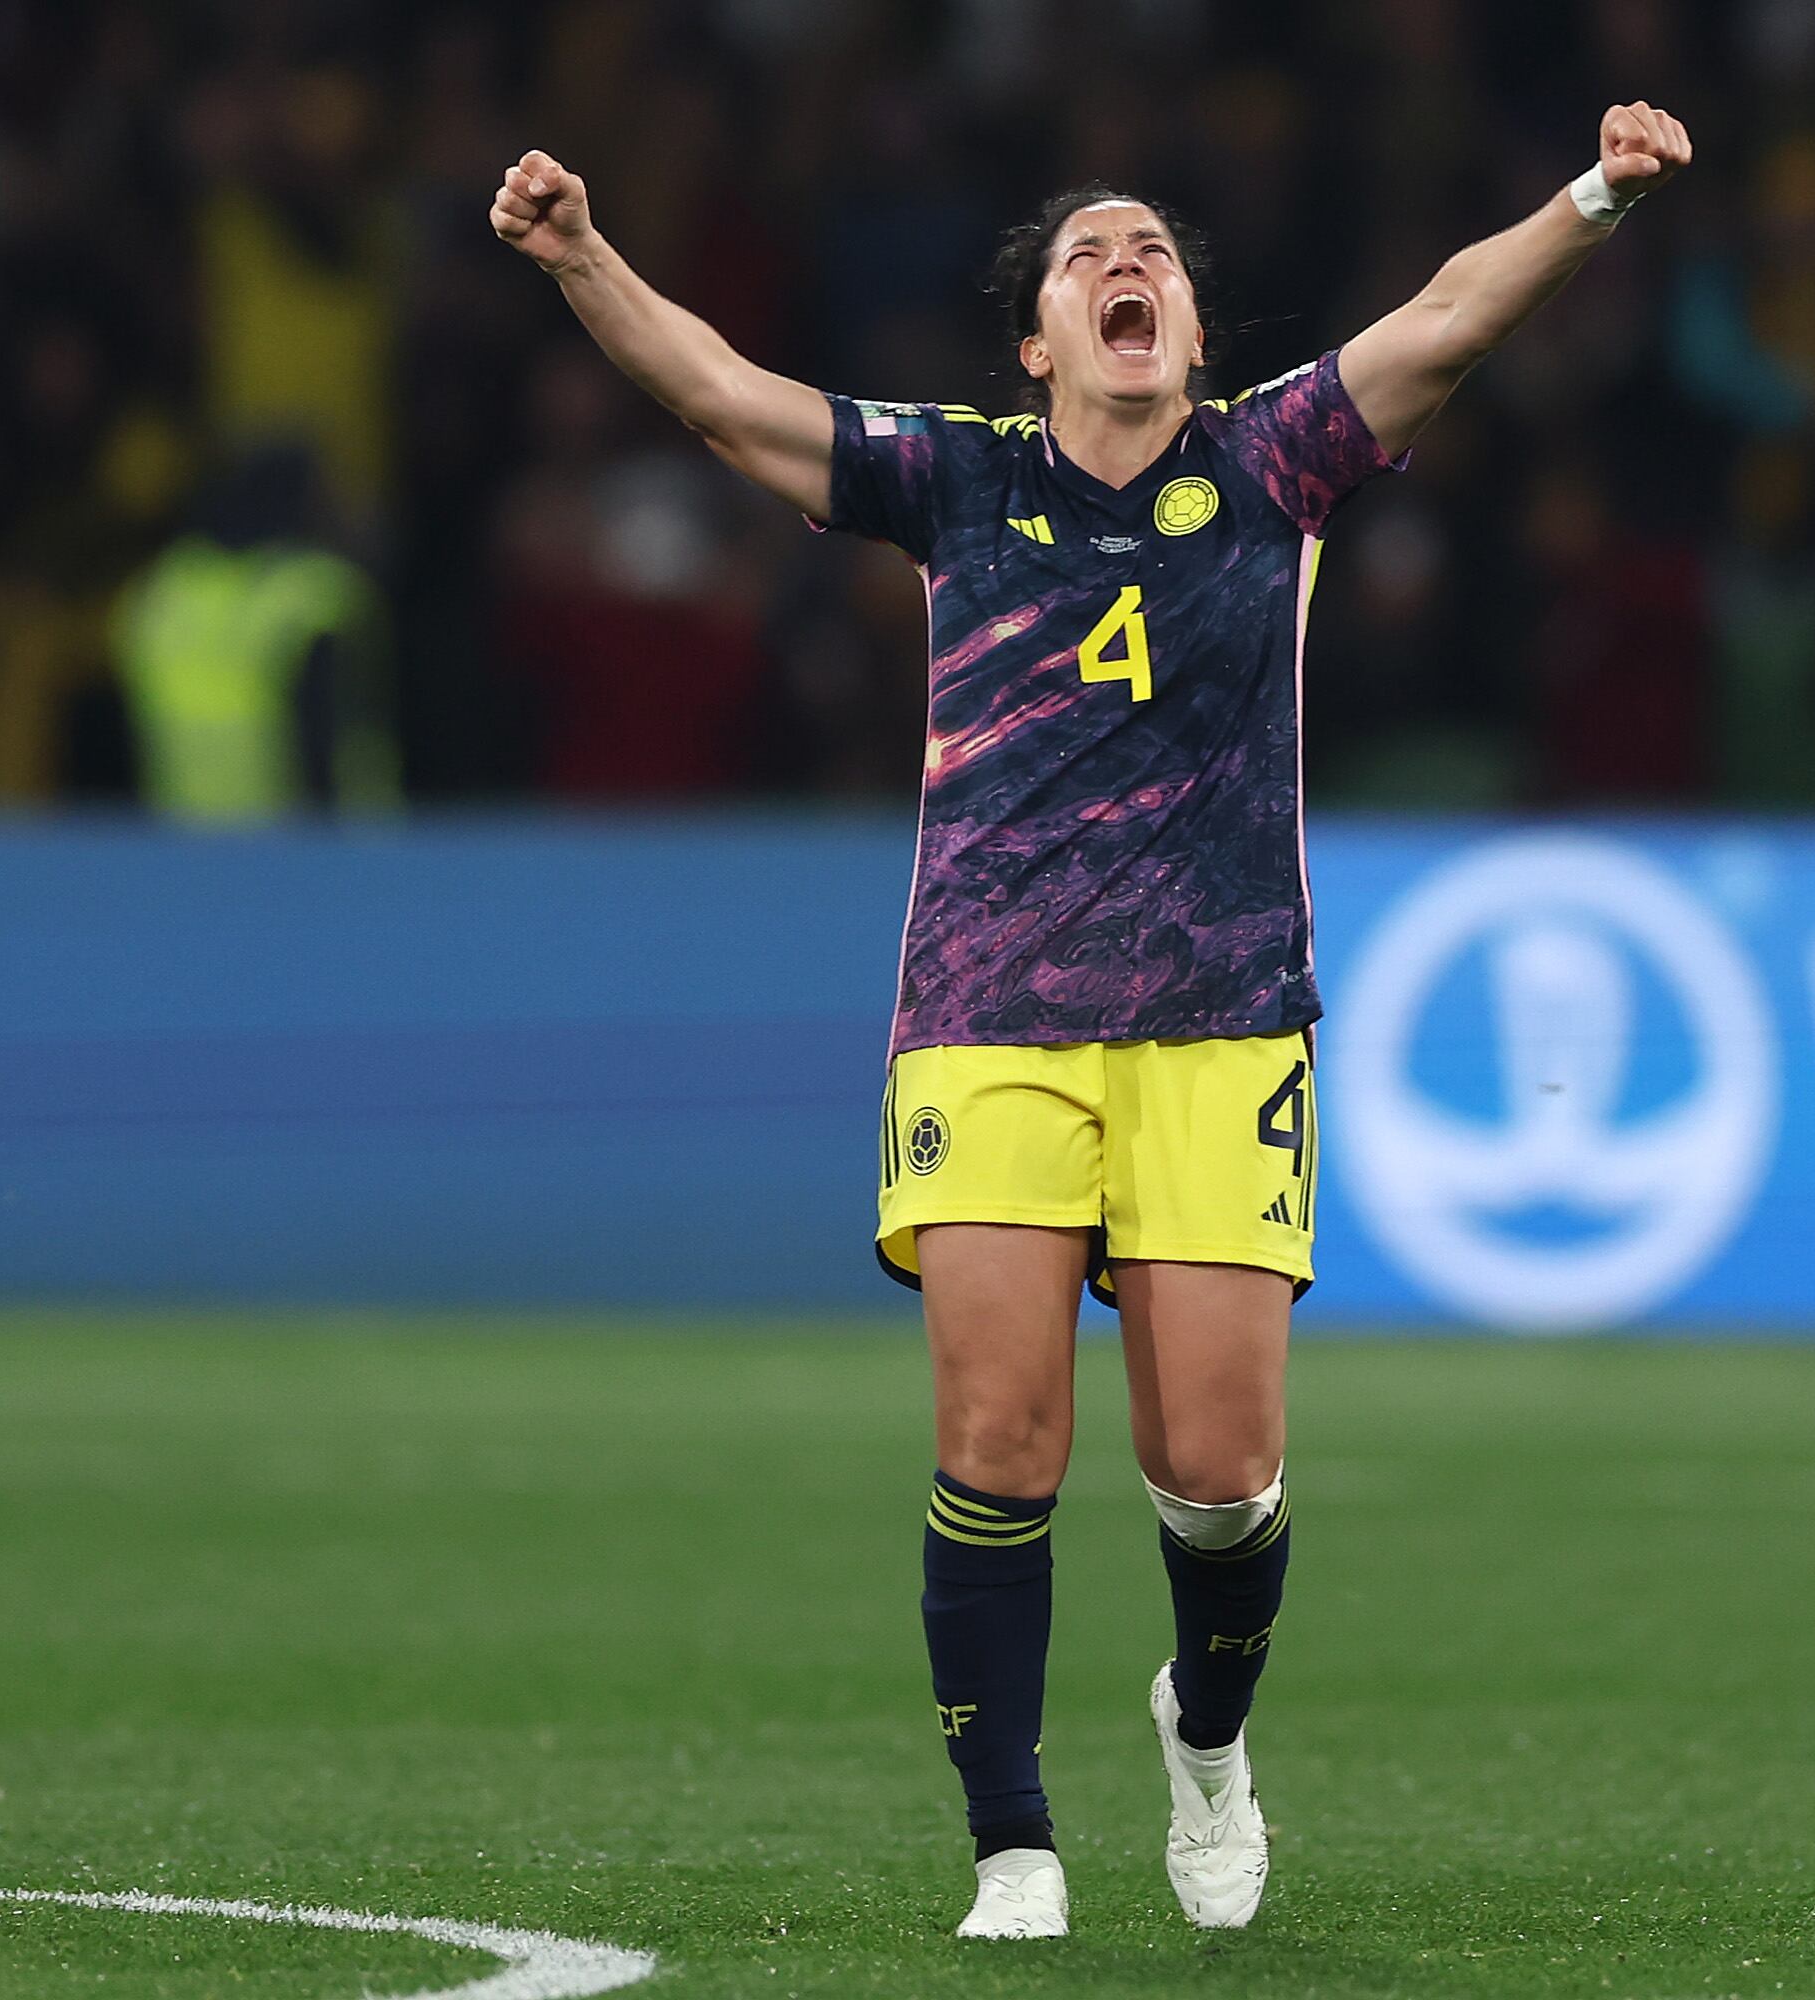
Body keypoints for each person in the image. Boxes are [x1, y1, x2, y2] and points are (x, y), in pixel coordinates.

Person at [491, 98, 1692, 1941]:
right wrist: (583, 258)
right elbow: (727, 398)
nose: (1130, 268)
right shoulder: (956, 476)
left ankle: (1207, 1743)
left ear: (1195, 335)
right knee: (999, 1442)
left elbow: (1449, 317)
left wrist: (1596, 196)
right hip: (991, 1011)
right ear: (1039, 342)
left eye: (1158, 257)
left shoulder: (1276, 462)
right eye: (1089, 258)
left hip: (1221, 1017)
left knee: (1216, 1478)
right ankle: (1014, 1848)